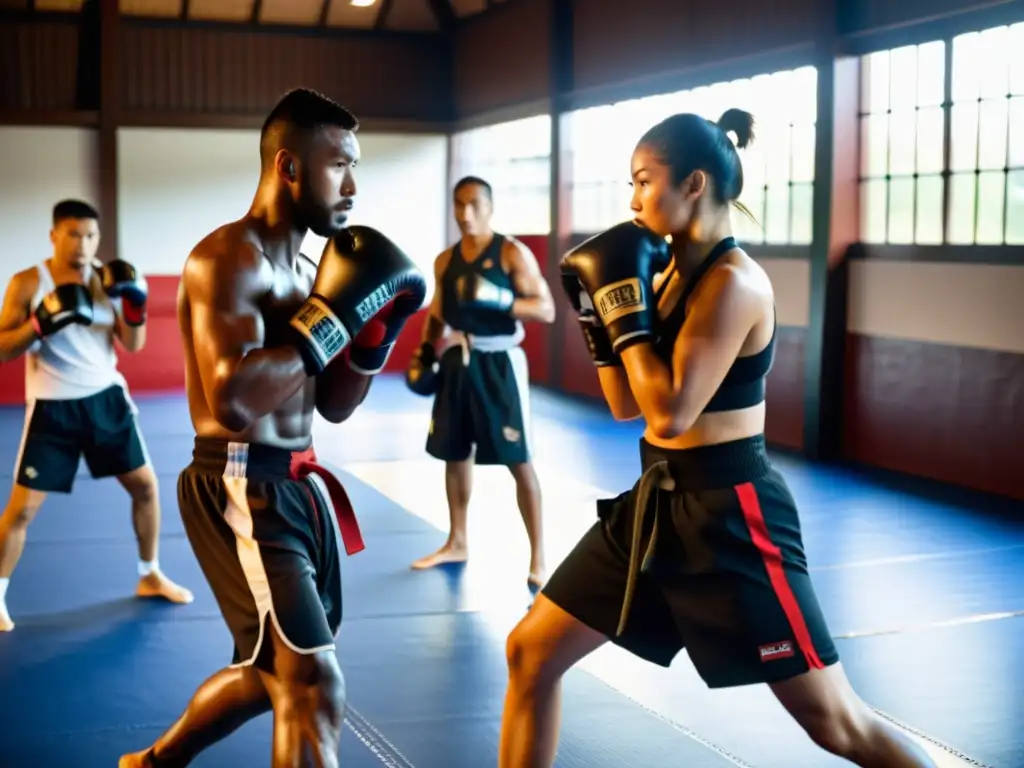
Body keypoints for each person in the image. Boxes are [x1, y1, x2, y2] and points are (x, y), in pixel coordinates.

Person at [498, 110, 938, 768]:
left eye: (644, 181)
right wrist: (601, 322)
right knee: (529, 651)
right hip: (657, 509)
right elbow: (627, 405)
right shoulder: (668, 276)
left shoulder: (735, 285)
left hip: (732, 518)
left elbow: (672, 412)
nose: (633, 199)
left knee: (837, 724)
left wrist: (624, 315)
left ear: (694, 183)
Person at [119, 88, 427, 768]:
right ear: (290, 167)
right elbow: (233, 400)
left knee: (274, 673)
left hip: (299, 486)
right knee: (313, 681)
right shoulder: (229, 258)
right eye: (338, 164)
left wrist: (375, 331)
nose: (353, 185)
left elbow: (335, 404)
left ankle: (154, 763)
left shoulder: (316, 271)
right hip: (240, 484)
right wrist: (333, 322)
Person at [0, 199, 192, 633]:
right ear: (54, 235)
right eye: (72, 234)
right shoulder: (29, 282)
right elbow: (2, 348)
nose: (82, 244)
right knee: (23, 510)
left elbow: (134, 345)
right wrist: (38, 325)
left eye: (90, 235)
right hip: (54, 407)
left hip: (106, 400)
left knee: (145, 487)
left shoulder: (112, 280)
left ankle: (150, 574)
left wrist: (136, 305)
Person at [406, 176, 555, 589]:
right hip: (458, 359)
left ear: (489, 207)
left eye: (474, 204)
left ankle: (539, 558)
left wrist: (503, 299)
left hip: (500, 361)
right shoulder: (444, 260)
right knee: (455, 451)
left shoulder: (510, 252)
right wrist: (424, 351)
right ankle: (457, 540)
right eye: (459, 204)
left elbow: (546, 309)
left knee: (518, 458)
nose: (465, 213)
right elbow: (437, 312)